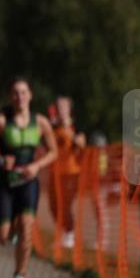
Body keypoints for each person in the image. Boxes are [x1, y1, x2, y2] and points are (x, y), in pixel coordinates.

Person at [0, 77, 58, 278]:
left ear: (30, 95)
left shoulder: (40, 122)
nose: (20, 97)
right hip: (5, 182)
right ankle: (11, 227)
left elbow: (54, 152)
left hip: (28, 182)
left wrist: (36, 166)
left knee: (27, 227)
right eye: (15, 93)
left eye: (23, 92)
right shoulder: (1, 121)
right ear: (10, 97)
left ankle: (20, 276)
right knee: (3, 237)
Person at [48, 96, 86, 249]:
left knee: (66, 204)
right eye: (58, 107)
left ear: (69, 109)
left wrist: (67, 131)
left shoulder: (76, 126)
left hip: (71, 172)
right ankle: (63, 233)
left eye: (63, 107)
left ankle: (70, 234)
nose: (60, 110)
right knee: (53, 205)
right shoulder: (52, 127)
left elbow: (82, 143)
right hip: (54, 171)